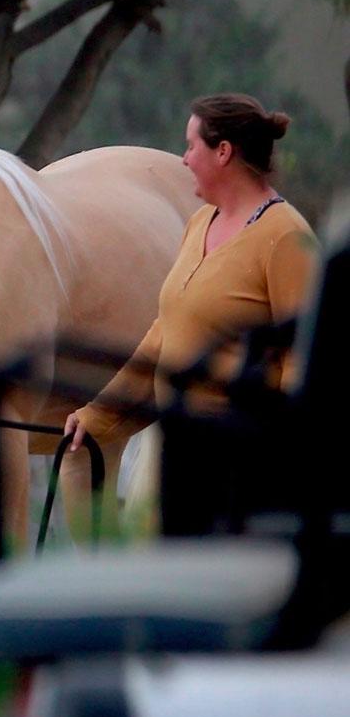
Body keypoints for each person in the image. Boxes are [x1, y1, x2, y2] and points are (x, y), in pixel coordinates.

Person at [66, 93, 318, 452]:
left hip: (240, 455)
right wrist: (97, 415)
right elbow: (163, 334)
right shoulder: (200, 222)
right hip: (180, 444)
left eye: (191, 146)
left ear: (223, 152)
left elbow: (303, 359)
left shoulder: (286, 237)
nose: (184, 160)